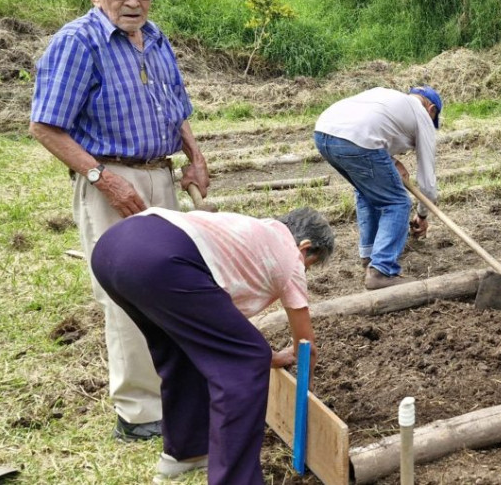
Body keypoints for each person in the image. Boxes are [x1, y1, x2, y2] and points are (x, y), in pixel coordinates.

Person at [29, 0, 210, 441]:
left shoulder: (155, 38)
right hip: (109, 179)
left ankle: (173, 392)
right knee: (127, 295)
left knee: (172, 286)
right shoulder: (78, 42)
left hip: (161, 172)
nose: (133, 0)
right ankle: (138, 412)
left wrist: (194, 157)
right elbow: (45, 127)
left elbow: (178, 109)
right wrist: (101, 178)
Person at [91, 207, 333, 485]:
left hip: (113, 249)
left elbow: (216, 325)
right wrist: (306, 371)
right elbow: (305, 344)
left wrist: (271, 357)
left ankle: (187, 453)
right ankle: (236, 480)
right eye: (309, 265)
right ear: (305, 247)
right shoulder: (290, 256)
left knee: (180, 350)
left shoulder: (251, 230)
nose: (304, 271)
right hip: (158, 260)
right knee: (245, 362)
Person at [313, 86, 442, 289]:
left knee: (367, 192)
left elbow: (367, 125)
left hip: (323, 133)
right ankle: (381, 270)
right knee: (397, 202)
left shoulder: (388, 97)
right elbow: (427, 180)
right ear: (431, 109)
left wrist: (390, 161)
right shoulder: (422, 115)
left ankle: (369, 256)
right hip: (358, 140)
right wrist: (423, 215)